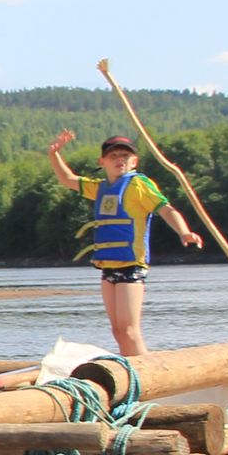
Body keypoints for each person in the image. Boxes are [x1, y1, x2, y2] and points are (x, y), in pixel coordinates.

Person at [47, 130, 205, 357]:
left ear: (134, 161)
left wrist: (184, 231)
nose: (119, 160)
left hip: (131, 265)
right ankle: (132, 373)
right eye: (113, 156)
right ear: (102, 162)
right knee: (118, 330)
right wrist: (54, 154)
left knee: (130, 330)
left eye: (124, 156)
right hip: (108, 266)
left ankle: (147, 376)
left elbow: (166, 209)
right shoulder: (100, 188)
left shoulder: (139, 185)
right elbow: (67, 180)